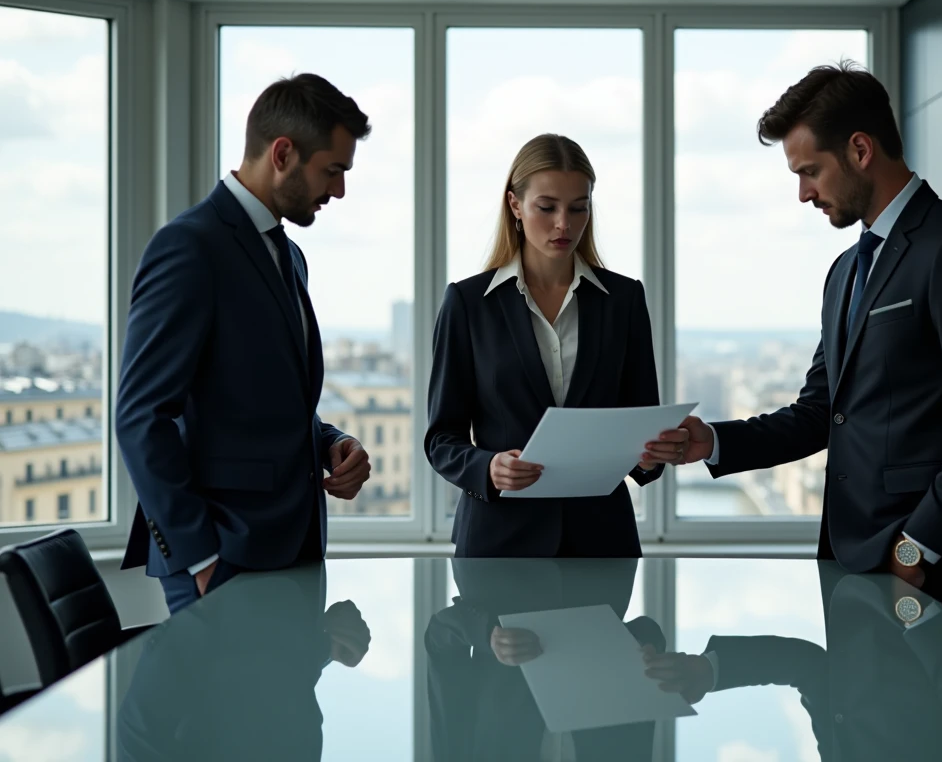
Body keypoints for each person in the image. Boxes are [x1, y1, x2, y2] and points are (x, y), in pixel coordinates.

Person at [651, 61, 942, 620]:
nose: (803, 194)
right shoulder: (846, 270)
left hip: (923, 567)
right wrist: (713, 442)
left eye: (811, 171)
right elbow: (820, 412)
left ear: (860, 150)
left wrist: (917, 547)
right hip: (852, 561)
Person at [115, 73, 374, 614]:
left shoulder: (288, 255)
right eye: (333, 170)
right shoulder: (189, 246)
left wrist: (331, 442)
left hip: (292, 550)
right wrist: (201, 559)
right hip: (223, 560)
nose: (340, 191)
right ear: (282, 154)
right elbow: (141, 416)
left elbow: (265, 399)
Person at [425, 134, 672, 558]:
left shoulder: (624, 300)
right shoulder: (467, 303)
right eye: (547, 207)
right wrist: (488, 468)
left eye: (578, 207)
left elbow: (641, 422)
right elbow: (441, 438)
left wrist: (650, 457)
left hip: (602, 544)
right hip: (497, 545)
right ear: (515, 205)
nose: (564, 224)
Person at [642, 564, 942, 762]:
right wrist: (915, 612)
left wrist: (711, 671)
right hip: (934, 593)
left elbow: (810, 668)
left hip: (862, 578)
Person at [117, 565, 371, 761]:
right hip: (280, 581)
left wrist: (212, 586)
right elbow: (284, 699)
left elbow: (140, 724)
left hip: (222, 579)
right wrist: (323, 646)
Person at [425, 557, 663, 761]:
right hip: (598, 564)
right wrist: (647, 650)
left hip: (500, 562)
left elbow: (439, 640)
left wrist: (487, 634)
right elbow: (645, 633)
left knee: (484, 510)